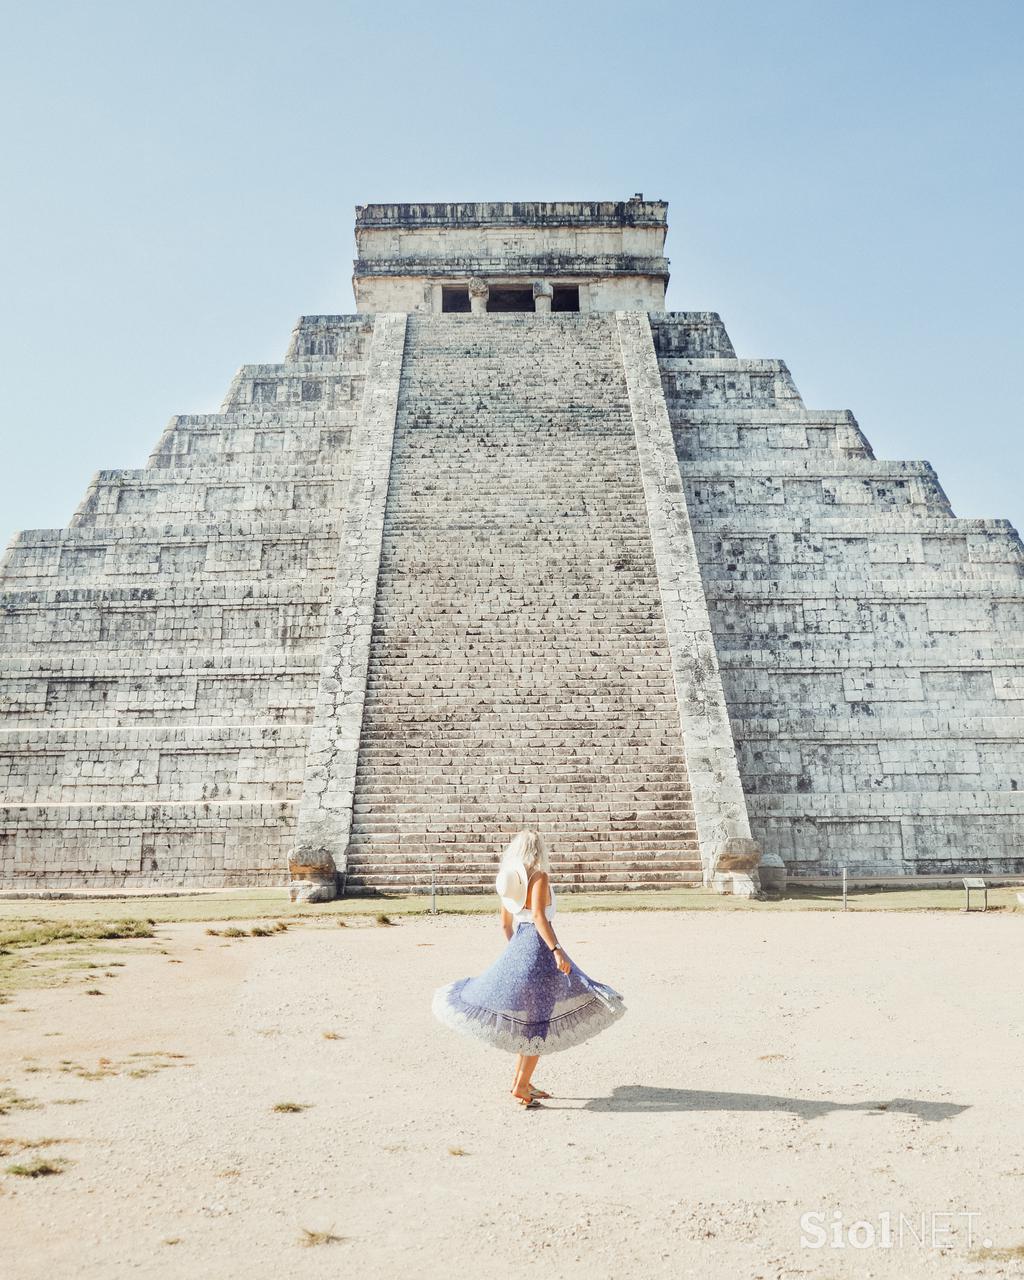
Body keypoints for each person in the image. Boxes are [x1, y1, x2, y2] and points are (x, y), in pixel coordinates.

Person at [431, 830, 626, 1108]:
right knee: (539, 1021)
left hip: (518, 947)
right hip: (538, 948)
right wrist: (555, 950)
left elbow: (505, 925)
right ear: (538, 850)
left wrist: (517, 955)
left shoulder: (510, 882)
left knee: (530, 1020)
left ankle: (521, 1081)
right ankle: (522, 1085)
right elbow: (538, 917)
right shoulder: (539, 877)